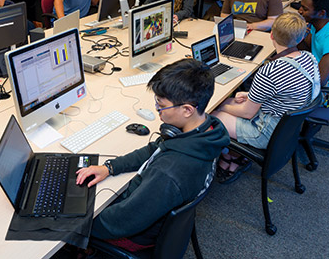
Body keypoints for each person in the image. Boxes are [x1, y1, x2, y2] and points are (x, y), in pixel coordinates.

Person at [76, 58, 229, 252]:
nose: (157, 111)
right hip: (149, 209)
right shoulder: (207, 131)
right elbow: (155, 148)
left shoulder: (169, 172)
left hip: (135, 233)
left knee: (66, 223)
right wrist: (110, 167)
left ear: (187, 110)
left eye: (161, 105)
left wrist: (78, 223)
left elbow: (123, 221)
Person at [212, 12, 320, 184]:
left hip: (265, 132)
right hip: (287, 128)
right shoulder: (309, 58)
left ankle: (229, 159)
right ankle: (237, 155)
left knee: (211, 115)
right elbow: (288, 90)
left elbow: (247, 113)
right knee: (233, 100)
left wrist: (219, 106)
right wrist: (251, 94)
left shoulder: (270, 71)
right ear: (301, 38)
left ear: (271, 35)